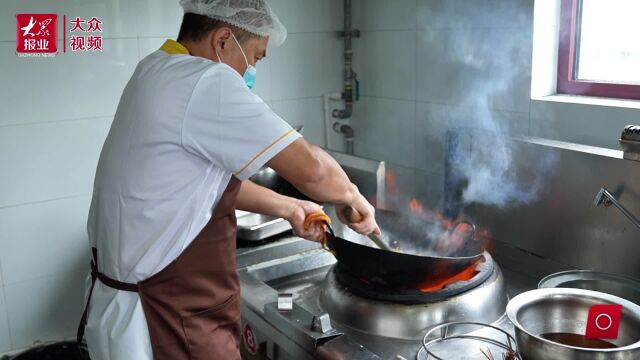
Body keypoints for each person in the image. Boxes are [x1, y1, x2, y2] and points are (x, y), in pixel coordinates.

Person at [77, 1, 380, 359]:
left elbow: (202, 185)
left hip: (131, 306)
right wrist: (353, 197)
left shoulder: (156, 69)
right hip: (167, 322)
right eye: (255, 56)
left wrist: (291, 207)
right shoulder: (203, 80)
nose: (251, 69)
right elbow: (313, 170)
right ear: (223, 41)